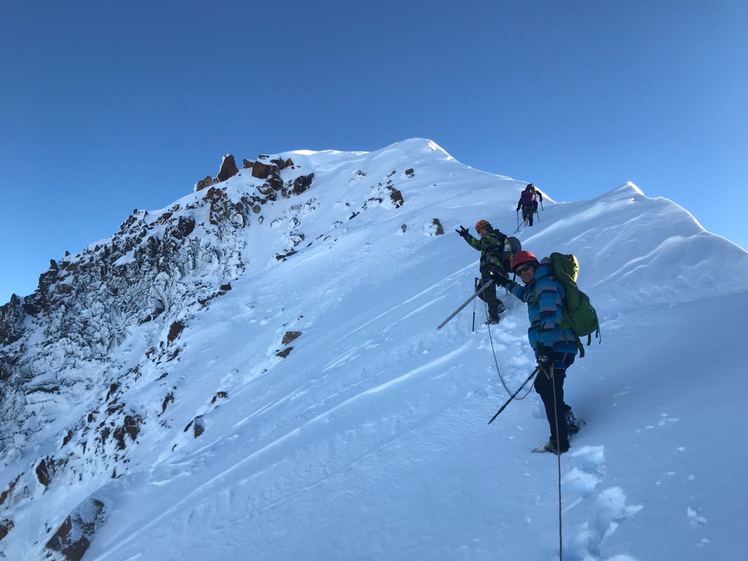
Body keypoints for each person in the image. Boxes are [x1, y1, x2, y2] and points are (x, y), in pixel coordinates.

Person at [488, 250, 581, 454]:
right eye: (519, 272)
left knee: (551, 389)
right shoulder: (536, 286)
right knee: (542, 385)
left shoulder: (546, 285)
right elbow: (524, 295)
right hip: (553, 346)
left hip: (559, 346)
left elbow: (550, 318)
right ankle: (566, 417)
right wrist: (504, 281)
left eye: (526, 269)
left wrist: (546, 349)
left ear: (535, 265)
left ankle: (560, 442)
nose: (523, 274)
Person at [456, 219, 508, 324]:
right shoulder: (490, 238)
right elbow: (480, 245)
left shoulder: (493, 237)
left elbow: (479, 245)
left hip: (492, 267)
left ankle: (494, 318)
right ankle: (498, 305)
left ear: (488, 228)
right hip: (488, 268)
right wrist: (467, 236)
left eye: (482, 230)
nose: (480, 233)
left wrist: (467, 236)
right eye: (479, 232)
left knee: (488, 290)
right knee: (480, 290)